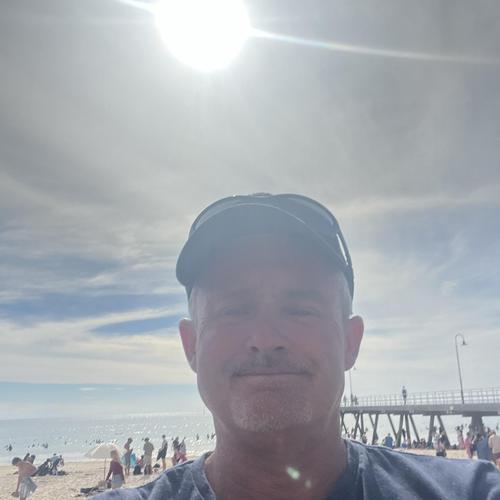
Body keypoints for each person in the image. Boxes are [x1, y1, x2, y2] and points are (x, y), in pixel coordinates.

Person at [94, 193, 500, 499]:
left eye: (301, 310)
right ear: (191, 345)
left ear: (351, 342)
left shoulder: (471, 490)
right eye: (233, 310)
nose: (265, 338)